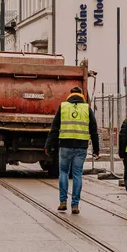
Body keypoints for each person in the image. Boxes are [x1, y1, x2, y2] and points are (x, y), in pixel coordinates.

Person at [44, 86, 99, 214]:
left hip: (65, 145)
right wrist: (96, 149)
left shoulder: (63, 107)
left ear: (70, 95)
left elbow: (54, 128)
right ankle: (75, 205)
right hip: (81, 147)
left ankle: (63, 202)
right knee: (77, 175)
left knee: (63, 172)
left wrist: (48, 145)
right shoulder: (87, 109)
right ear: (81, 95)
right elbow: (94, 130)